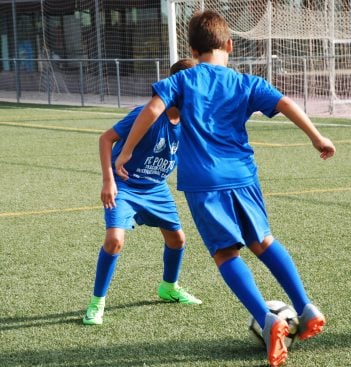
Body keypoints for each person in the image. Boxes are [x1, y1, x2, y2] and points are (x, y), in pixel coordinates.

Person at [114, 10, 336, 367]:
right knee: (263, 241)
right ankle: (306, 305)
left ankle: (269, 321)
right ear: (229, 45)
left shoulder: (184, 79)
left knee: (225, 254)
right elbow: (285, 103)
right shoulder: (246, 82)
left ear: (192, 48)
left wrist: (125, 151)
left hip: (205, 182)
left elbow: (154, 108)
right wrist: (317, 137)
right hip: (244, 176)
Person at [83, 58, 201, 326]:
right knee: (114, 240)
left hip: (156, 188)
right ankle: (96, 302)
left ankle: (169, 287)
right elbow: (105, 139)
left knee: (177, 240)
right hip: (125, 184)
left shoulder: (190, 123)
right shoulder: (147, 114)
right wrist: (108, 181)